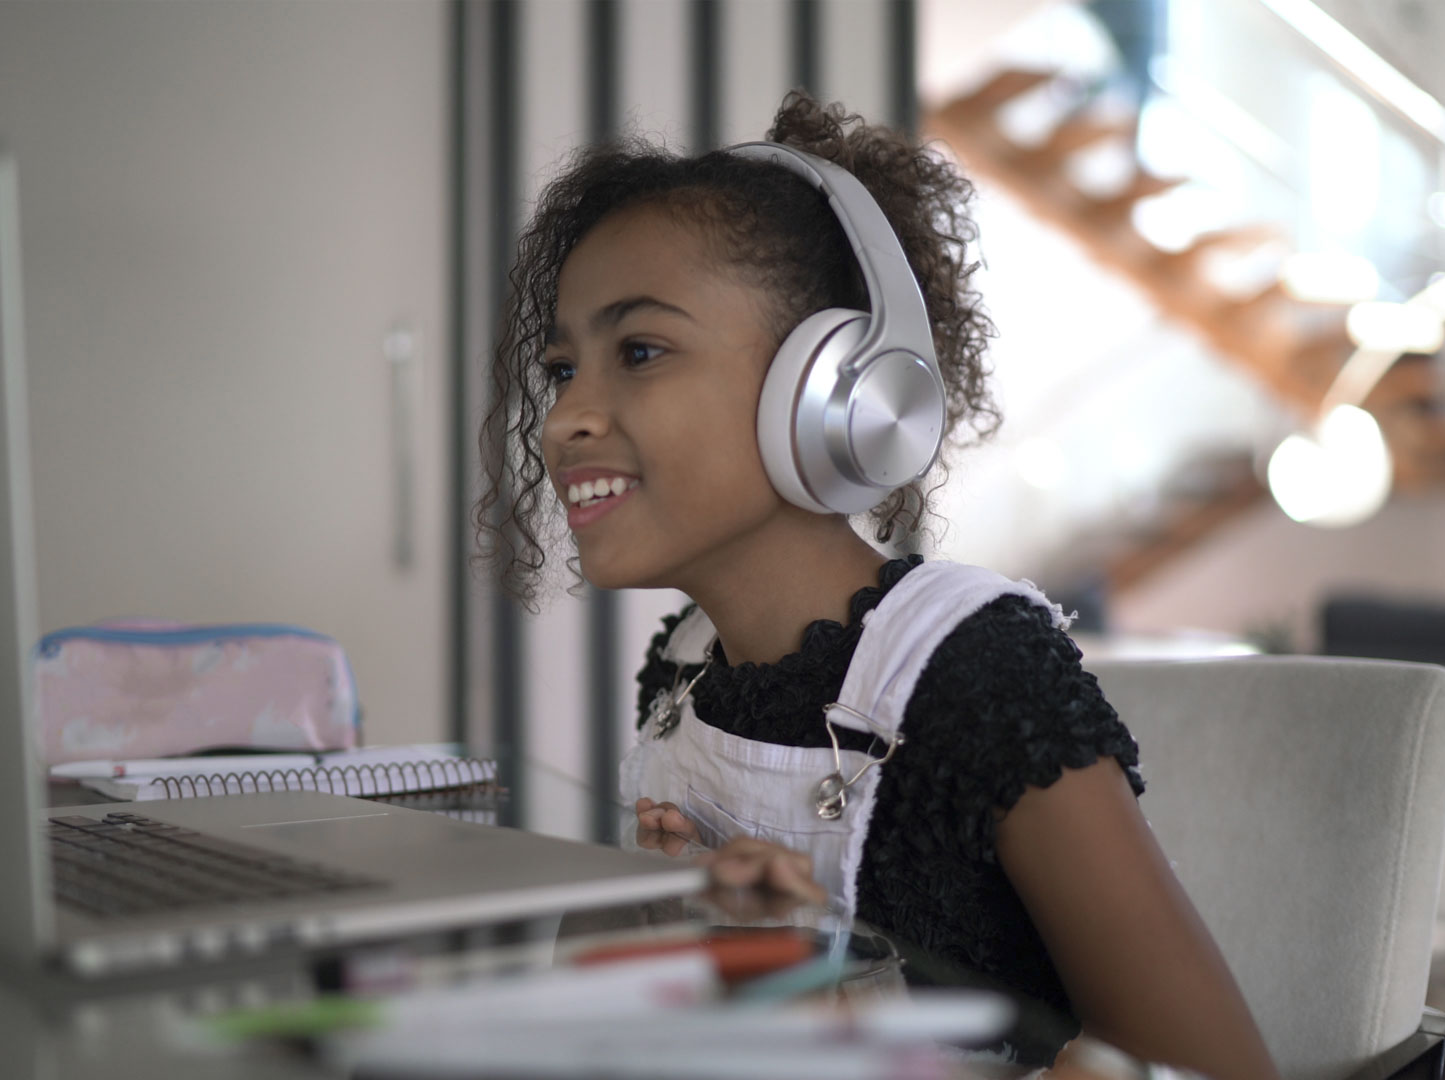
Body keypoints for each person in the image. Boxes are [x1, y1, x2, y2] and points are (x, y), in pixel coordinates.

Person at [476, 92, 1277, 1079]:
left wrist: (840, 1006)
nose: (565, 420)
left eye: (639, 351)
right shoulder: (687, 666)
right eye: (562, 370)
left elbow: (1212, 1070)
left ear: (836, 391)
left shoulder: (977, 674)